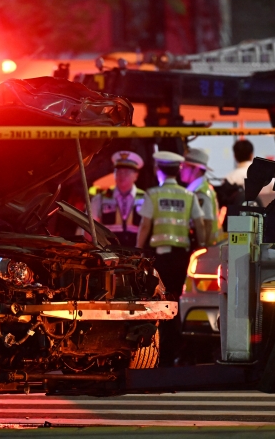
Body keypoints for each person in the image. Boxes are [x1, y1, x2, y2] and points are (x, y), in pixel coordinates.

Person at [136, 151, 206, 366]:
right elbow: (201, 226)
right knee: (179, 304)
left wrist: (138, 252)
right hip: (182, 259)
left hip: (161, 260)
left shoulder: (153, 195)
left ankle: (162, 352)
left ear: (159, 170)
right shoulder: (188, 195)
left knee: (160, 304)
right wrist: (202, 249)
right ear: (177, 171)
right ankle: (180, 352)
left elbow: (145, 226)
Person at [89, 150, 145, 247]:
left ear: (136, 175)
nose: (122, 175)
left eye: (126, 172)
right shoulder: (100, 199)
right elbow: (89, 229)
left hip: (137, 253)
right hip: (109, 253)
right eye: (118, 171)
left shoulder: (145, 199)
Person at [180, 148, 221, 245]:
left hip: (209, 246)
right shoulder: (200, 189)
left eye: (185, 167)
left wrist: (203, 247)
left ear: (197, 170)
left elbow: (207, 222)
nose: (181, 170)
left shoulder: (201, 192)